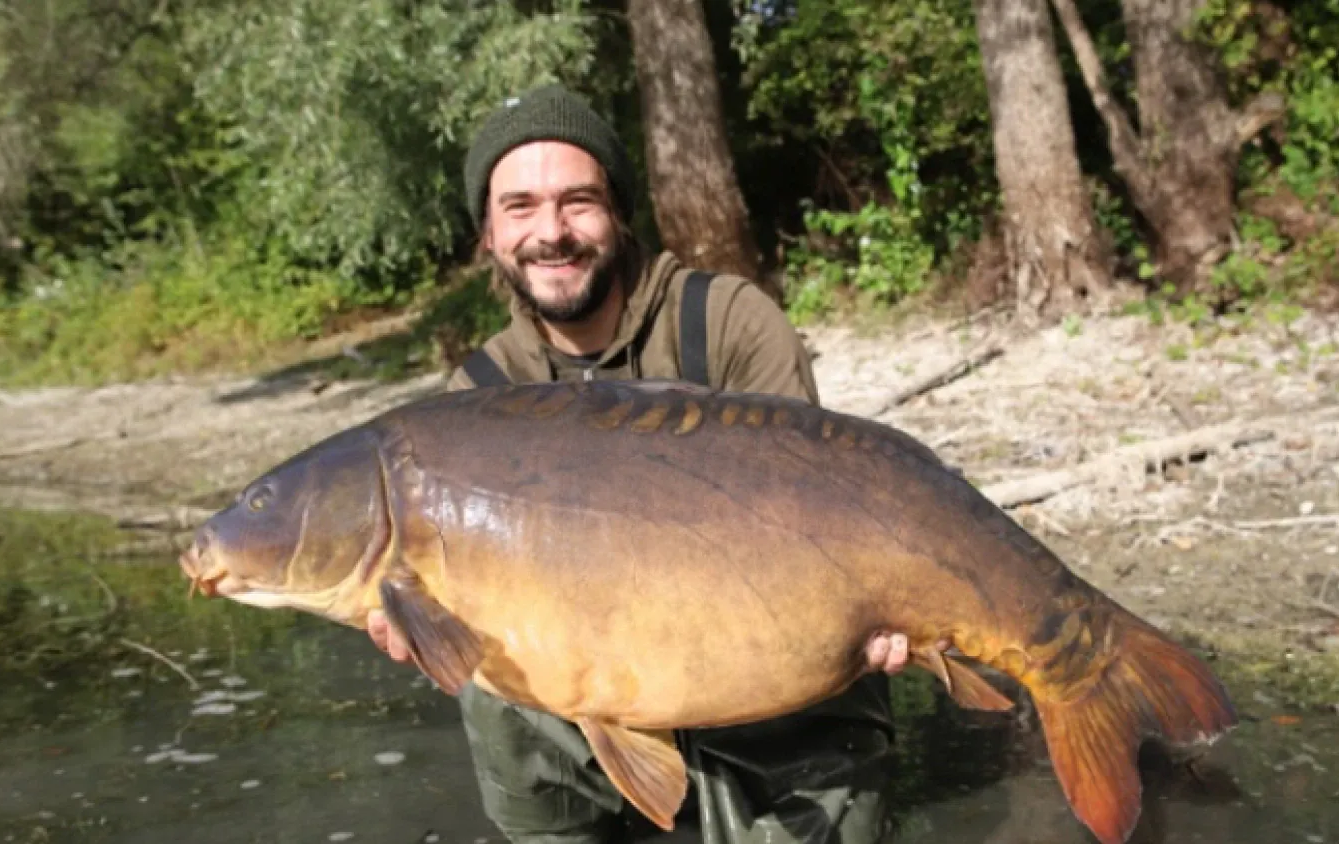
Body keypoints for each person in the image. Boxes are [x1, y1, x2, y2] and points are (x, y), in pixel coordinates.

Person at [364, 84, 923, 844]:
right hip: (597, 706)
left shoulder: (726, 323)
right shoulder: (477, 401)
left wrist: (877, 608)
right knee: (492, 682)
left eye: (579, 201)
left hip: (762, 671)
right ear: (488, 234)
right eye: (520, 207)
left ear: (617, 212)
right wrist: (421, 626)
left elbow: (822, 514)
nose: (551, 232)